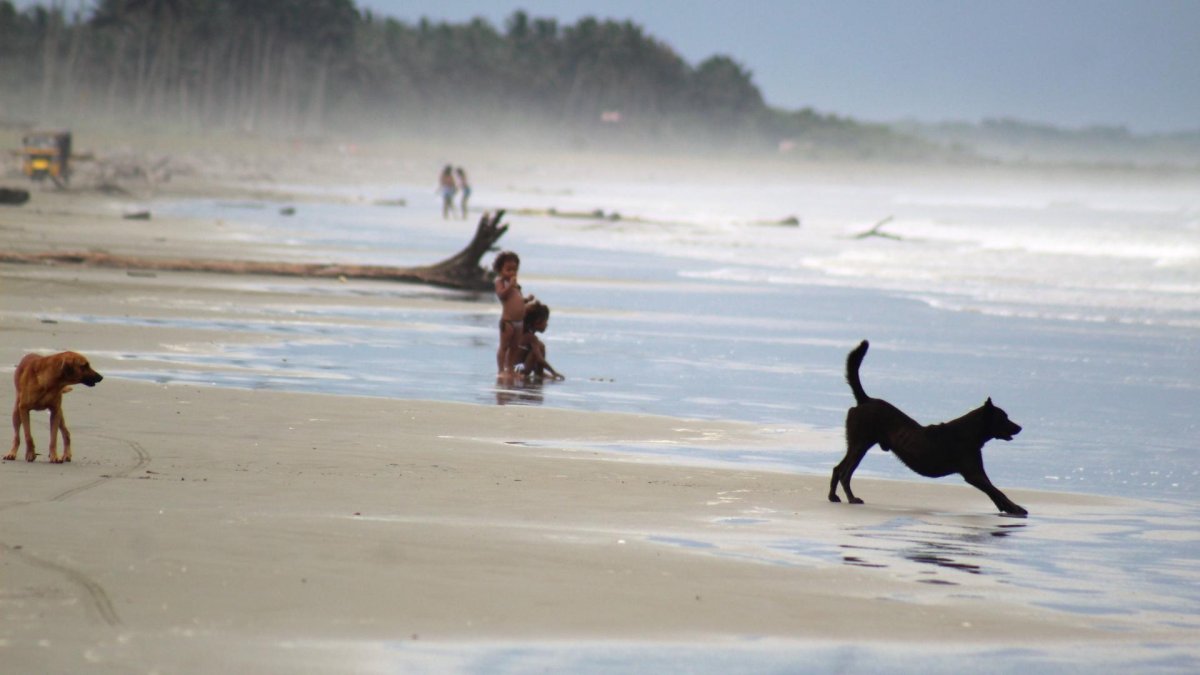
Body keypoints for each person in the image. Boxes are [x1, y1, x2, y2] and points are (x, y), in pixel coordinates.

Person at [493, 250, 532, 378]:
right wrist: (510, 286)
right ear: (500, 270)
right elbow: (502, 295)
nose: (512, 273)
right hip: (508, 321)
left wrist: (526, 300)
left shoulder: (516, 286)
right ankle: (501, 370)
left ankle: (510, 369)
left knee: (515, 347)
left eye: (514, 270)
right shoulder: (501, 282)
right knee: (504, 346)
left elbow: (517, 300)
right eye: (508, 270)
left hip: (519, 322)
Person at [518, 301, 563, 380]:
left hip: (515, 368)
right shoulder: (531, 338)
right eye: (546, 321)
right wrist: (553, 372)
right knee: (540, 346)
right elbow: (539, 359)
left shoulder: (522, 333)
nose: (547, 324)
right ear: (538, 321)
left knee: (538, 346)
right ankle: (539, 374)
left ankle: (539, 373)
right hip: (520, 371)